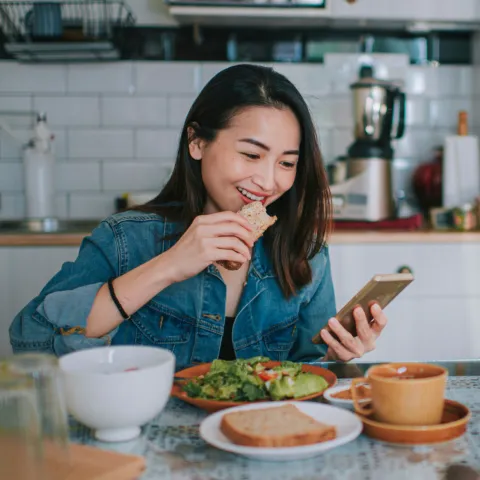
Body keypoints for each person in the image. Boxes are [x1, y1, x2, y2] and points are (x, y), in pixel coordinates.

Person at [9, 64, 387, 371]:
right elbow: (31, 341)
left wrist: (336, 359)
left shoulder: (304, 252)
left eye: (287, 162)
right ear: (197, 142)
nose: (269, 181)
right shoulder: (126, 240)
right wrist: (170, 264)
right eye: (252, 155)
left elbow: (305, 369)